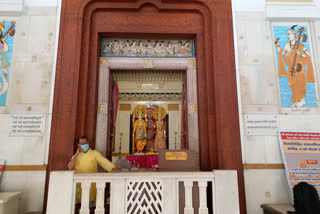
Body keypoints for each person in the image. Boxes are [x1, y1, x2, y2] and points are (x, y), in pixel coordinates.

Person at [275, 25, 315, 107]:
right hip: (291, 69)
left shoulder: (300, 45)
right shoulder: (287, 45)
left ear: (295, 35)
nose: (288, 36)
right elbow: (281, 54)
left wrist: (300, 54)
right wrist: (278, 45)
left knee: (300, 84)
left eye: (289, 34)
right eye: (287, 34)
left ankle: (302, 100)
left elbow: (309, 55)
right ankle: (296, 102)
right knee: (292, 85)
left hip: (299, 68)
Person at [68, 136, 115, 204]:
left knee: (92, 204)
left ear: (88, 143)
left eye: (85, 143)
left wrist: (113, 167)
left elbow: (103, 162)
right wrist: (77, 154)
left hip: (92, 184)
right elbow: (70, 167)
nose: (84, 145)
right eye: (82, 144)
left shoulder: (95, 153)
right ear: (78, 145)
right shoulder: (75, 156)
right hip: (80, 185)